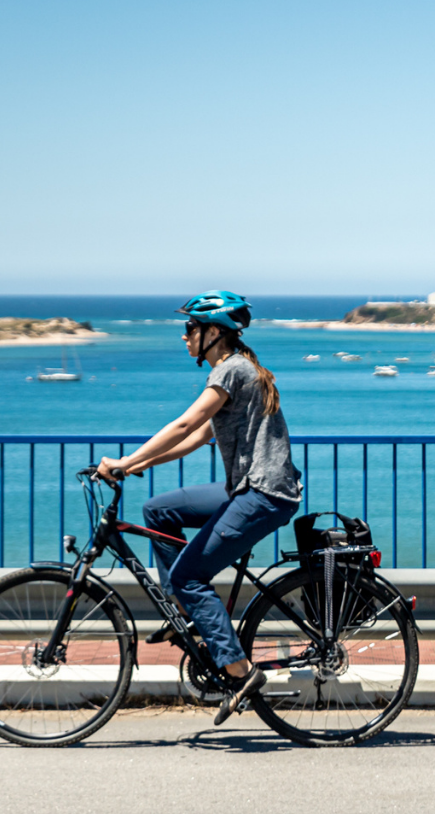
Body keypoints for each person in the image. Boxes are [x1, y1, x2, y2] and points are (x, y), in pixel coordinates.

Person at [98, 291, 303, 725]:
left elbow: (184, 423)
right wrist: (141, 465)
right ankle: (187, 611)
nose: (185, 335)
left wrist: (125, 460)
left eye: (190, 328)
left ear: (214, 332)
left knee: (189, 576)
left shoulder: (231, 370)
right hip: (245, 488)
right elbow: (197, 438)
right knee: (159, 512)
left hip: (264, 493)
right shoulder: (237, 370)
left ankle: (240, 671)